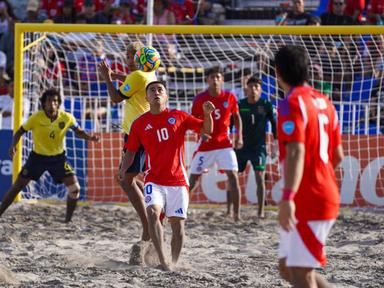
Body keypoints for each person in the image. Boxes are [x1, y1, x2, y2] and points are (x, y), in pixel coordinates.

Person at [120, 81, 215, 271]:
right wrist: (122, 171)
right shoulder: (139, 124)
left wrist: (207, 114)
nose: (156, 92)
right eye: (152, 90)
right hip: (153, 180)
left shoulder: (178, 116)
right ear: (146, 98)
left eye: (160, 90)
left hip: (178, 181)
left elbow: (207, 129)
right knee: (153, 214)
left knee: (178, 228)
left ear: (166, 96)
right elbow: (130, 153)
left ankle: (174, 261)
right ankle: (164, 262)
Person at [275, 45, 344, 287]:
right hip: (320, 192)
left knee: (301, 273)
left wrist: (289, 196)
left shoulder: (290, 103)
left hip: (309, 197)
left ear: (278, 72)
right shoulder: (325, 102)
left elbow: (296, 150)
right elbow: (338, 156)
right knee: (287, 268)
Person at [0, 88, 99, 222]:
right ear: (44, 104)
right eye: (49, 101)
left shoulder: (67, 117)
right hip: (37, 157)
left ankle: (67, 221)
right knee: (18, 186)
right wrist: (13, 145)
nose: (52, 104)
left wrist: (90, 137)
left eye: (55, 101)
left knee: (75, 189)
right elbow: (19, 132)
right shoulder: (36, 117)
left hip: (58, 158)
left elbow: (79, 131)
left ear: (58, 104)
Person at [98, 41, 157, 253]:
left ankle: (148, 227)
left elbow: (115, 98)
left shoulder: (137, 76)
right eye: (127, 55)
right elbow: (134, 82)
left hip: (137, 134)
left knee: (125, 179)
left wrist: (106, 77)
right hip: (143, 131)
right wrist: (116, 76)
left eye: (132, 56)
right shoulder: (148, 74)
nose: (128, 59)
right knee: (126, 178)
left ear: (141, 57)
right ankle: (152, 214)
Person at [189, 66, 243, 221]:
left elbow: (237, 117)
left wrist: (239, 137)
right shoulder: (200, 99)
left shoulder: (230, 97)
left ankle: (237, 216)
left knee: (232, 175)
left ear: (222, 79)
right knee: (193, 179)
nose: (215, 80)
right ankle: (180, 211)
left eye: (218, 77)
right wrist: (201, 133)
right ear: (207, 80)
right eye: (212, 77)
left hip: (224, 144)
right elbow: (192, 120)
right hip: (205, 145)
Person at [234, 76, 277, 219]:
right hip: (241, 146)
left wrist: (275, 143)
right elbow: (229, 124)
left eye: (256, 87)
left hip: (259, 147)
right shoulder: (240, 104)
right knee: (232, 176)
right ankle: (231, 211)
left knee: (259, 176)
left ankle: (260, 211)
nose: (253, 89)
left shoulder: (266, 105)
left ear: (260, 89)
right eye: (251, 86)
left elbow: (275, 125)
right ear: (246, 88)